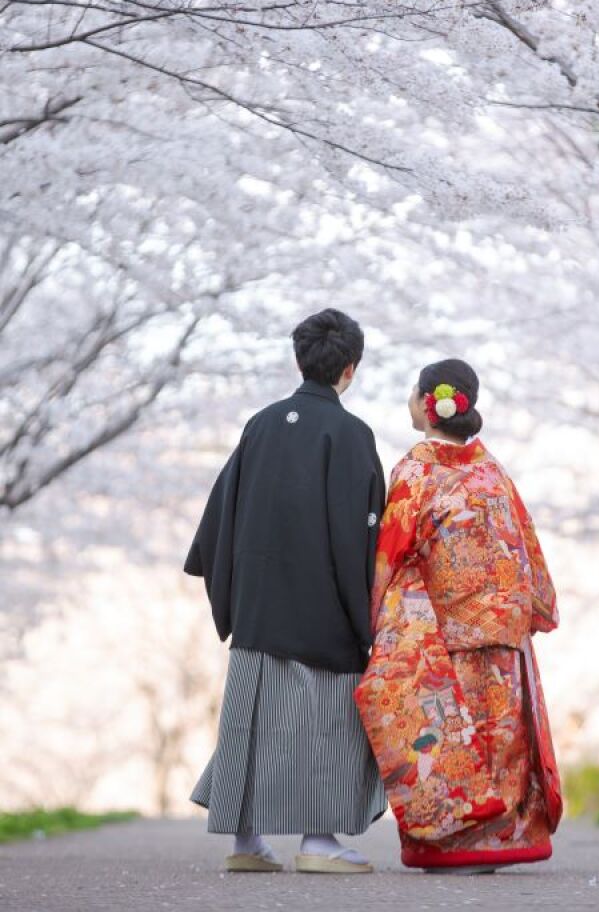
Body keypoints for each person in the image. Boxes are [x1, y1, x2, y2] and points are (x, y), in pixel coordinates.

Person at [185, 309, 387, 875]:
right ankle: (318, 842)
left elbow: (219, 516)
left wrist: (238, 592)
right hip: (322, 612)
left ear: (299, 359)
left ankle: (246, 842)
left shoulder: (261, 424)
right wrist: (366, 614)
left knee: (254, 724)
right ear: (350, 368)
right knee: (323, 725)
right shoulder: (350, 433)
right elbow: (361, 528)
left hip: (258, 609)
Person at [355, 358, 561, 873]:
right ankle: (501, 843)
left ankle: (457, 846)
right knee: (501, 736)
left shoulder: (416, 469)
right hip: (504, 633)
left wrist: (375, 616)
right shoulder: (494, 470)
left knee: (452, 734)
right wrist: (530, 608)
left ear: (429, 405)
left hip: (446, 633)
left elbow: (391, 552)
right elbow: (526, 543)